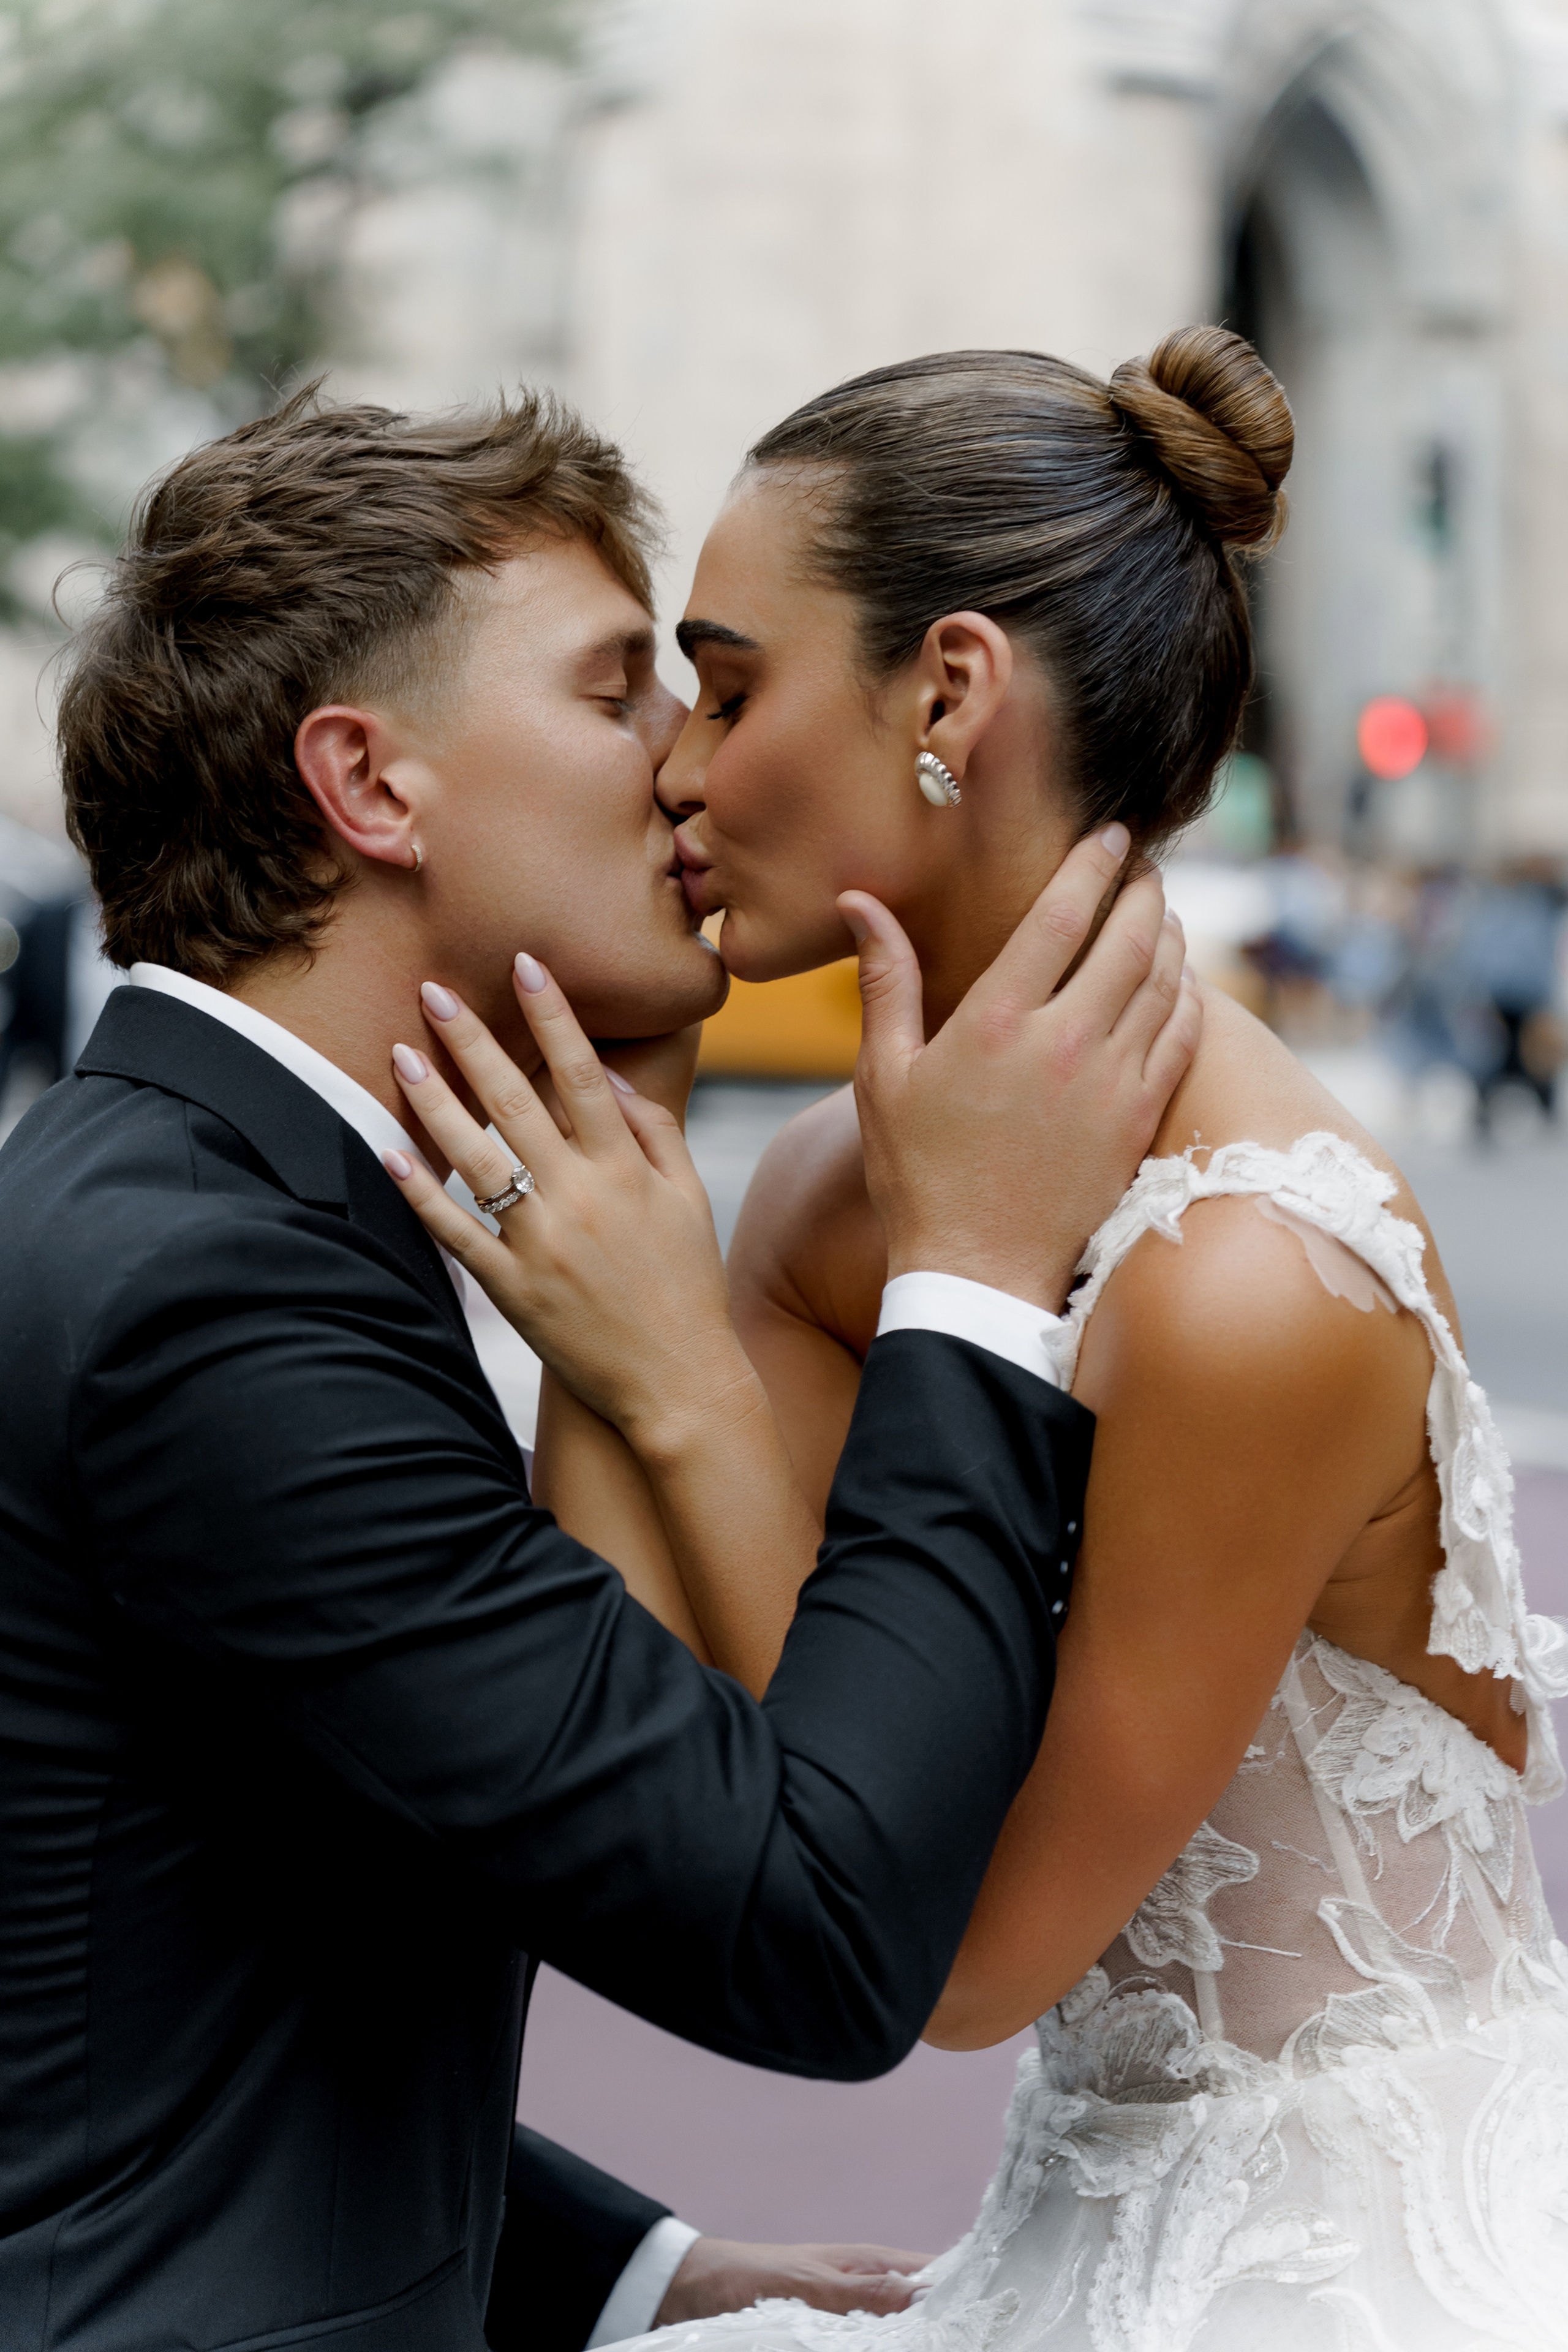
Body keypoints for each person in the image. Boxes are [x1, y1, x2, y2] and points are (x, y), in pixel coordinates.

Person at [0, 388, 1200, 2351]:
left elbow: (220, 1963)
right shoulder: (200, 1301)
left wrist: (631, 2267)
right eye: (616, 690)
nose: (685, 775)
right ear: (372, 788)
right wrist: (972, 1281)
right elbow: (817, 1931)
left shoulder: (203, 1199)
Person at [406, 330, 1568, 2348]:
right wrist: (639, 1226)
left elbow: (948, 1961)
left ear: (950, 693)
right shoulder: (830, 1198)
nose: (675, 763)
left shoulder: (1246, 1280)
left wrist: (677, 1361)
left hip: (1346, 2252)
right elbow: (688, 1762)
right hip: (1055, 2217)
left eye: (735, 686)